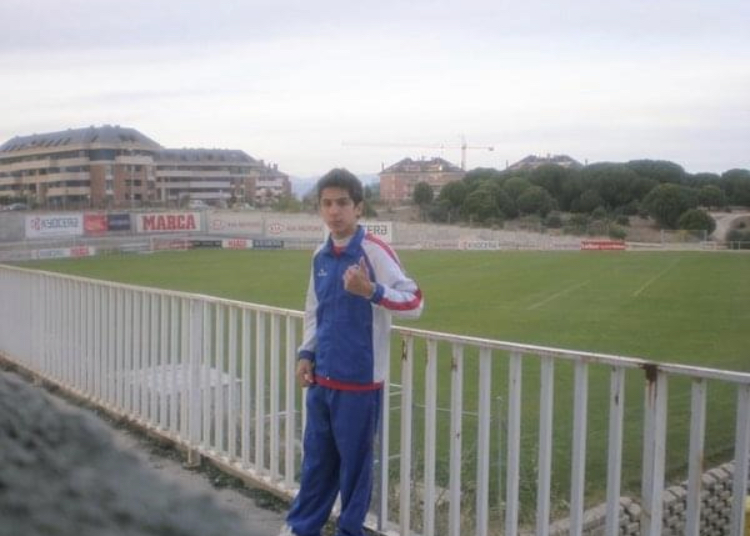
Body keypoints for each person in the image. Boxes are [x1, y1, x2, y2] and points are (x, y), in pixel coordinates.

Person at [279, 168, 424, 536]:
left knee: (355, 472)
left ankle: (349, 531)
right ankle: (300, 528)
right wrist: (305, 353)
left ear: (358, 207)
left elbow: (415, 302)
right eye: (327, 204)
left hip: (360, 382)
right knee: (316, 463)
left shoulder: (374, 251)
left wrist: (372, 291)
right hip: (321, 379)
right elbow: (314, 310)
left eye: (342, 203)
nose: (334, 211)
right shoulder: (320, 254)